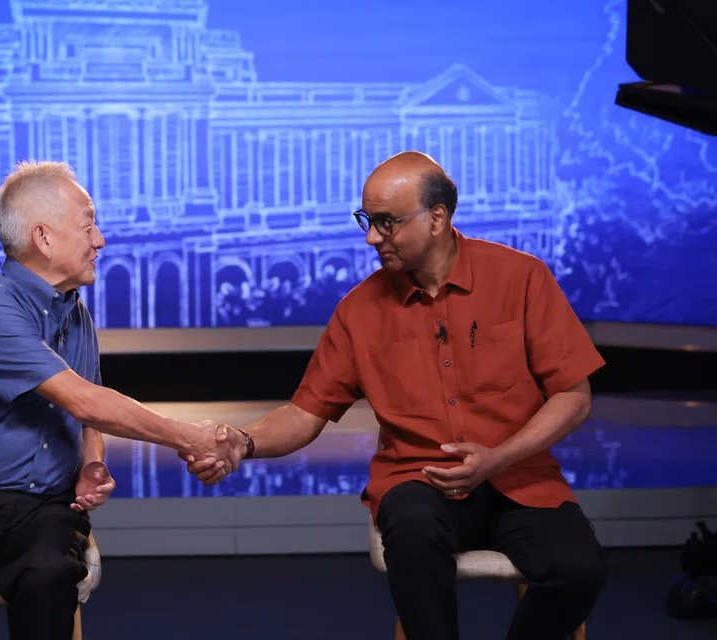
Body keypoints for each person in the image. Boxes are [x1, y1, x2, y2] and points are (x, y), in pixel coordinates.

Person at [188, 151, 607, 640]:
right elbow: (304, 413)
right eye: (367, 220)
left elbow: (574, 396)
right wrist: (243, 442)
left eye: (387, 222)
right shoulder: (359, 310)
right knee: (412, 534)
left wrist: (498, 457)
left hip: (520, 478)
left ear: (437, 218)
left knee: (581, 570)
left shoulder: (521, 277)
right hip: (420, 485)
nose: (371, 237)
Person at [0, 160, 244, 640]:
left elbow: (88, 417)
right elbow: (86, 402)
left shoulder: (77, 314)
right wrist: (192, 437)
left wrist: (91, 464)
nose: (100, 240)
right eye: (88, 226)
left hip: (45, 506)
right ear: (44, 238)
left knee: (48, 577)